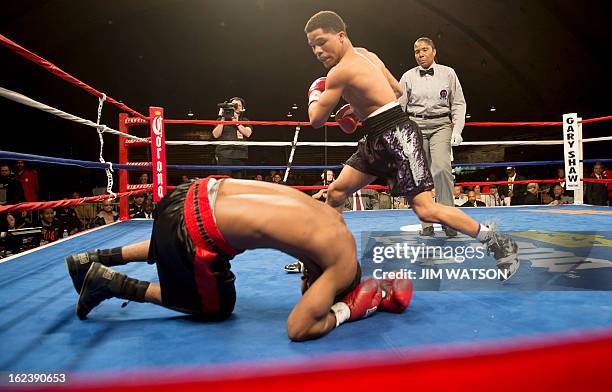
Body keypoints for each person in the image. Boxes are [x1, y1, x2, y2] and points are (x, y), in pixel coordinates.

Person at [304, 11, 518, 279]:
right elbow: (396, 91)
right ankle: (326, 258)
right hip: (377, 135)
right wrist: (355, 106)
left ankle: (497, 241)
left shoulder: (338, 73)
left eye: (321, 41)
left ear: (341, 36)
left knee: (426, 210)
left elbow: (315, 119)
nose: (317, 50)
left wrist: (314, 91)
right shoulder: (367, 55)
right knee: (336, 193)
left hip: (397, 136)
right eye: (312, 45)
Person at [65, 177, 413, 341]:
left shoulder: (333, 219)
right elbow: (299, 327)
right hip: (192, 233)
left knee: (196, 232)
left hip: (189, 193)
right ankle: (108, 283)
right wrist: (345, 310)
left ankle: (91, 258)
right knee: (218, 307)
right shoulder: (339, 266)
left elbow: (308, 273)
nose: (306, 284)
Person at [399, 37, 466, 238]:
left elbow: (459, 103)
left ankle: (448, 219)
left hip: (441, 125)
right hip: (415, 125)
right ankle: (426, 222)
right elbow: (399, 106)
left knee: (442, 169)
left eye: (424, 50)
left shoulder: (448, 73)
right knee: (420, 175)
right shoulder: (408, 77)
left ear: (434, 51)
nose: (420, 54)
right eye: (417, 51)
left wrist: (457, 130)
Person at [212, 97, 253, 179]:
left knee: (238, 183)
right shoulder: (221, 120)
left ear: (242, 108)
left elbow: (248, 133)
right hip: (224, 155)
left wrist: (236, 123)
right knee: (223, 181)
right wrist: (223, 118)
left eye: (239, 105)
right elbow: (215, 135)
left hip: (240, 155)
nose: (236, 107)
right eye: (234, 105)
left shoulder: (245, 121)